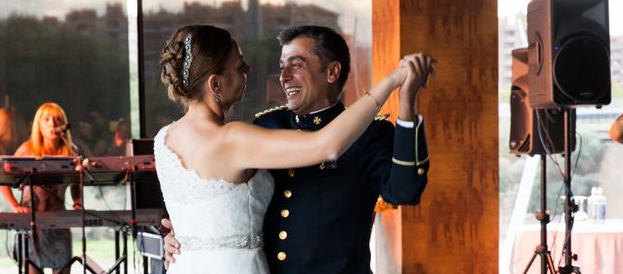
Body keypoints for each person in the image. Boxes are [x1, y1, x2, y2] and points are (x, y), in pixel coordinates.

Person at [159, 25, 436, 273]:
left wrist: (407, 104)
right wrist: (186, 236)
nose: (284, 76)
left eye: (296, 64)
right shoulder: (265, 125)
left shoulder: (369, 134)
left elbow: (405, 191)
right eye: (282, 66)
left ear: (331, 72)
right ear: (214, 84)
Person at [0, 102, 82, 274]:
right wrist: (15, 206)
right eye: (47, 119)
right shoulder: (27, 149)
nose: (52, 123)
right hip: (32, 226)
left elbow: (76, 184)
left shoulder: (70, 151)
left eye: (57, 119)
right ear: (39, 124)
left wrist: (78, 201)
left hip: (60, 224)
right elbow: (2, 181)